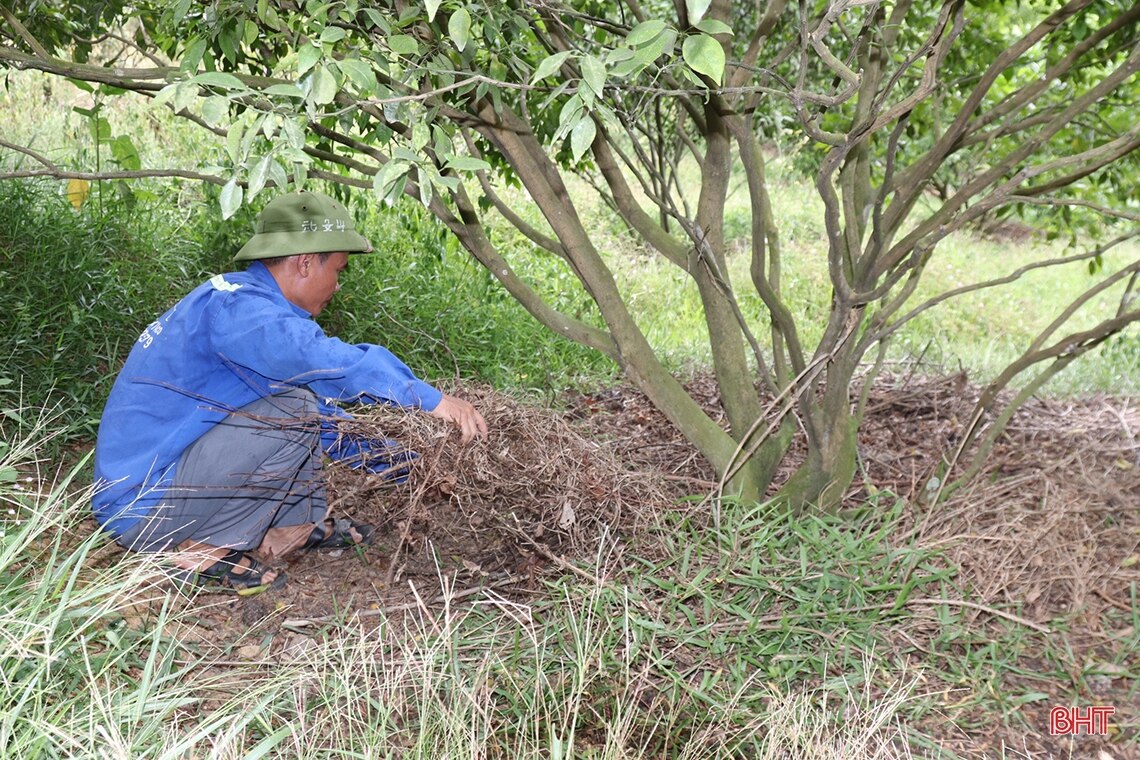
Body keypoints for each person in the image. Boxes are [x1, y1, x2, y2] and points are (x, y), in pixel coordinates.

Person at [92, 190, 487, 593]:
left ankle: (288, 531)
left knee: (299, 409)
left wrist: (409, 464)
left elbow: (325, 424)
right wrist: (429, 399)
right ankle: (196, 549)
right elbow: (321, 361)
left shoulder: (245, 307)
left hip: (167, 487)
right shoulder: (242, 313)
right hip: (144, 508)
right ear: (303, 264)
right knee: (296, 408)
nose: (337, 286)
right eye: (338, 270)